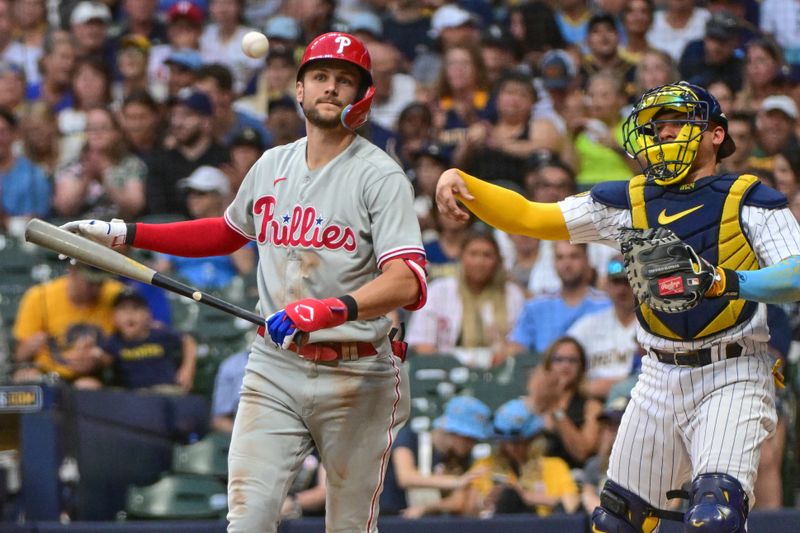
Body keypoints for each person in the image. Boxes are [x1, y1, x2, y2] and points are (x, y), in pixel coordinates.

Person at [61, 32, 426, 532]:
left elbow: (407, 280)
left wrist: (328, 308)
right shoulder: (272, 163)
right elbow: (227, 232)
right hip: (276, 365)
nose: (331, 88)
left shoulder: (380, 176)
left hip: (358, 371)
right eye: (320, 77)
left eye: (345, 80)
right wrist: (127, 232)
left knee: (349, 526)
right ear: (299, 89)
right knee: (248, 520)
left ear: (362, 96)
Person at [435, 80, 800, 531]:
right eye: (656, 127)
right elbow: (531, 216)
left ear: (716, 134)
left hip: (733, 370)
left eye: (677, 123)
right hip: (658, 376)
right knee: (617, 522)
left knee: (715, 516)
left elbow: (797, 275)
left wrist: (723, 280)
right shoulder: (627, 200)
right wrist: (462, 181)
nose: (664, 133)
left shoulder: (751, 197)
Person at [407, 231, 525, 368]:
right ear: (461, 256)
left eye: (487, 255)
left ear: (497, 260)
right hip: (446, 368)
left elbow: (520, 345)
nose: (479, 262)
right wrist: (451, 364)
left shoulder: (512, 294)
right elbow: (421, 344)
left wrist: (504, 354)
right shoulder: (439, 290)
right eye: (473, 254)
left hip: (498, 369)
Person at [459, 398, 580, 517]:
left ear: (533, 439)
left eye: (518, 442)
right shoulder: (485, 465)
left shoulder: (554, 466)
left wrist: (524, 496)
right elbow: (468, 509)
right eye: (505, 442)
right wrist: (484, 502)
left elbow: (571, 505)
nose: (511, 448)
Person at [12, 264, 123, 385]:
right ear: (73, 271)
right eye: (90, 283)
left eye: (101, 283)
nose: (96, 289)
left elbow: (126, 348)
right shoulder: (40, 296)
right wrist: (30, 346)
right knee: (28, 379)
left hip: (94, 376)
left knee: (87, 385)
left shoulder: (115, 294)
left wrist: (98, 360)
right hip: (48, 375)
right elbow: (20, 355)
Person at [385, 395, 491, 517]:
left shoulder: (459, 458)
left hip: (424, 524)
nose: (471, 445)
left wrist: (426, 508)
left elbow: (459, 501)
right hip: (388, 518)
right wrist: (456, 481)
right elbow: (405, 477)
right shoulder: (409, 438)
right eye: (468, 439)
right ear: (452, 432)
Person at [567, 256, 638, 399]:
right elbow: (561, 354)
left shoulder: (651, 325)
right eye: (616, 282)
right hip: (589, 401)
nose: (621, 289)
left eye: (627, 282)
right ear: (607, 285)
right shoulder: (590, 324)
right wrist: (581, 386)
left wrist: (614, 386)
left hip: (635, 400)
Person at [100, 289, 197, 393]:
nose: (129, 314)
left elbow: (188, 341)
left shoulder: (160, 334)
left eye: (136, 308)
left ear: (148, 314)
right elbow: (101, 360)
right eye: (122, 309)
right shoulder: (113, 341)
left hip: (163, 393)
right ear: (114, 317)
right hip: (129, 397)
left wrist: (187, 369)